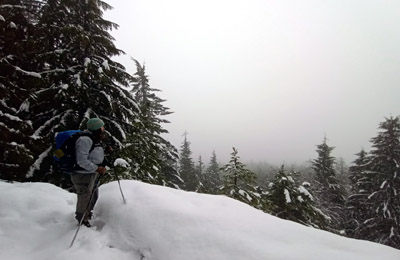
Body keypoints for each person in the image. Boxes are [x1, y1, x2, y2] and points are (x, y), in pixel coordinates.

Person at [71, 118, 107, 227]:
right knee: (84, 195)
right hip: (82, 174)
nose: (103, 129)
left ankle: (87, 213)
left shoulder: (93, 138)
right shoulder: (84, 140)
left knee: (92, 194)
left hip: (90, 173)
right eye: (102, 127)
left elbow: (93, 154)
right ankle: (82, 219)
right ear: (96, 128)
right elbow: (81, 160)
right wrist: (97, 168)